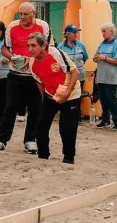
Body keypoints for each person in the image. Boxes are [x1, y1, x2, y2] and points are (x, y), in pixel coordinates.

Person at [0, 2, 53, 153]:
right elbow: (4, 47)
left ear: (34, 14)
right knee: (10, 107)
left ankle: (30, 140)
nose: (23, 17)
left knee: (35, 109)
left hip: (36, 75)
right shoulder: (12, 27)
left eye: (26, 14)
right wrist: (12, 57)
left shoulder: (43, 26)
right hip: (16, 74)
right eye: (20, 14)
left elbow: (48, 48)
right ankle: (1, 140)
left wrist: (32, 60)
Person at [29, 32, 82, 164]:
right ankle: (43, 155)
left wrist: (67, 92)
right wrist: (45, 99)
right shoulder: (32, 62)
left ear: (43, 46)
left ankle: (68, 158)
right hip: (50, 94)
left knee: (67, 128)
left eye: (33, 45)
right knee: (41, 125)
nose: (30, 49)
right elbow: (39, 82)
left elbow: (75, 72)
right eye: (28, 46)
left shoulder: (56, 53)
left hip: (71, 94)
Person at [94, 23, 117, 132]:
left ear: (111, 31)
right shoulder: (102, 44)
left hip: (111, 76)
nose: (103, 34)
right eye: (102, 31)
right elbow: (96, 56)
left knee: (112, 99)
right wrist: (96, 58)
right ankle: (105, 120)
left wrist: (105, 58)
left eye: (104, 31)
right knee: (103, 99)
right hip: (101, 76)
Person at [58, 24, 89, 92]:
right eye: (74, 33)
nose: (76, 35)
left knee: (79, 96)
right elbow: (58, 61)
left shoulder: (81, 45)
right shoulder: (61, 46)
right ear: (68, 34)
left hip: (80, 76)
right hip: (67, 77)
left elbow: (85, 58)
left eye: (76, 33)